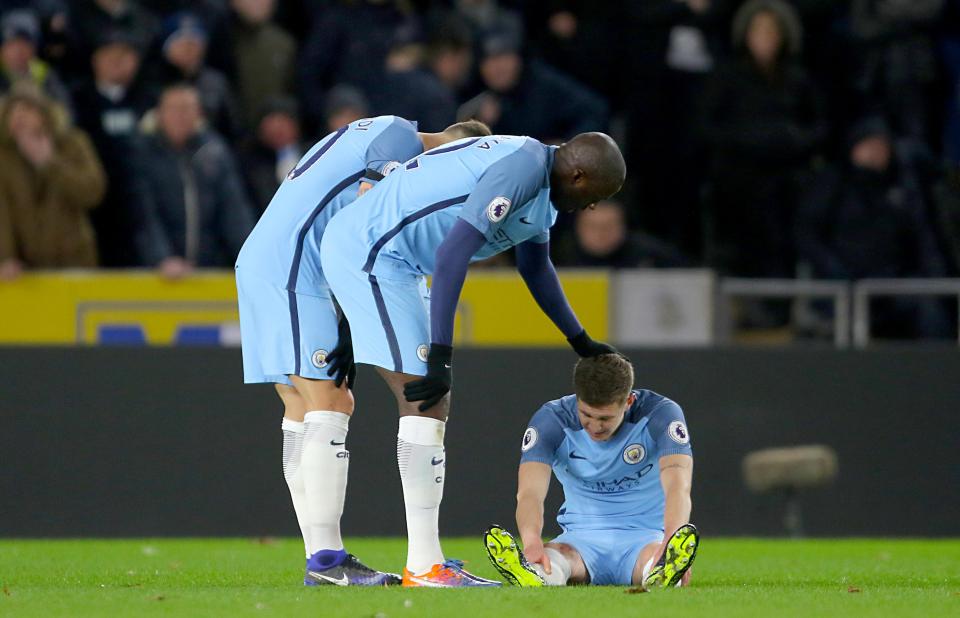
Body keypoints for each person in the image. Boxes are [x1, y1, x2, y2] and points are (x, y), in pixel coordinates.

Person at [318, 131, 626, 587]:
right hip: (375, 255)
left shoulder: (542, 188)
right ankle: (425, 566)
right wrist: (441, 354)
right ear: (578, 175)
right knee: (425, 399)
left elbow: (535, 267)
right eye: (597, 196)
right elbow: (451, 254)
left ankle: (427, 562)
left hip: (388, 257)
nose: (593, 207)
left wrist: (579, 339)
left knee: (428, 401)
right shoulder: (522, 169)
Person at [233, 115, 492, 587]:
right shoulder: (399, 142)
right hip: (295, 270)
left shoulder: (375, 127)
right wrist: (353, 313)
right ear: (456, 147)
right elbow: (363, 220)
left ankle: (323, 559)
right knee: (330, 403)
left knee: (303, 405)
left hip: (273, 259)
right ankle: (328, 562)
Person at [483, 354, 699, 589]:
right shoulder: (551, 421)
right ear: (577, 400)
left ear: (628, 402)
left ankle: (663, 571)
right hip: (580, 540)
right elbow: (529, 493)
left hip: (645, 537)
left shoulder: (661, 415)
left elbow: (678, 485)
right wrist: (532, 540)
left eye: (605, 418)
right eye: (587, 415)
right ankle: (535, 574)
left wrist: (669, 541)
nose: (595, 427)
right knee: (551, 560)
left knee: (654, 565)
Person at [131, 83, 254, 278]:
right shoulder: (143, 154)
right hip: (156, 274)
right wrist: (161, 258)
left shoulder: (214, 152)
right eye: (174, 109)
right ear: (159, 114)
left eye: (187, 109)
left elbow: (234, 211)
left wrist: (250, 258)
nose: (181, 116)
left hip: (209, 268)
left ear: (199, 114)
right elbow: (144, 214)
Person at [0, 84, 106, 278]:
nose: (19, 116)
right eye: (12, 111)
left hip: (75, 261)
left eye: (27, 109)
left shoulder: (74, 143)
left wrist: (49, 163)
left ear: (45, 114)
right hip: (24, 269)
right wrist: (5, 258)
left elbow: (92, 192)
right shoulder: (4, 157)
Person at [71, 28, 156, 267]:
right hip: (95, 209)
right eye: (110, 55)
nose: (117, 62)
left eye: (125, 55)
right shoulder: (78, 100)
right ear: (95, 60)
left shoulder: (150, 100)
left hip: (141, 209)